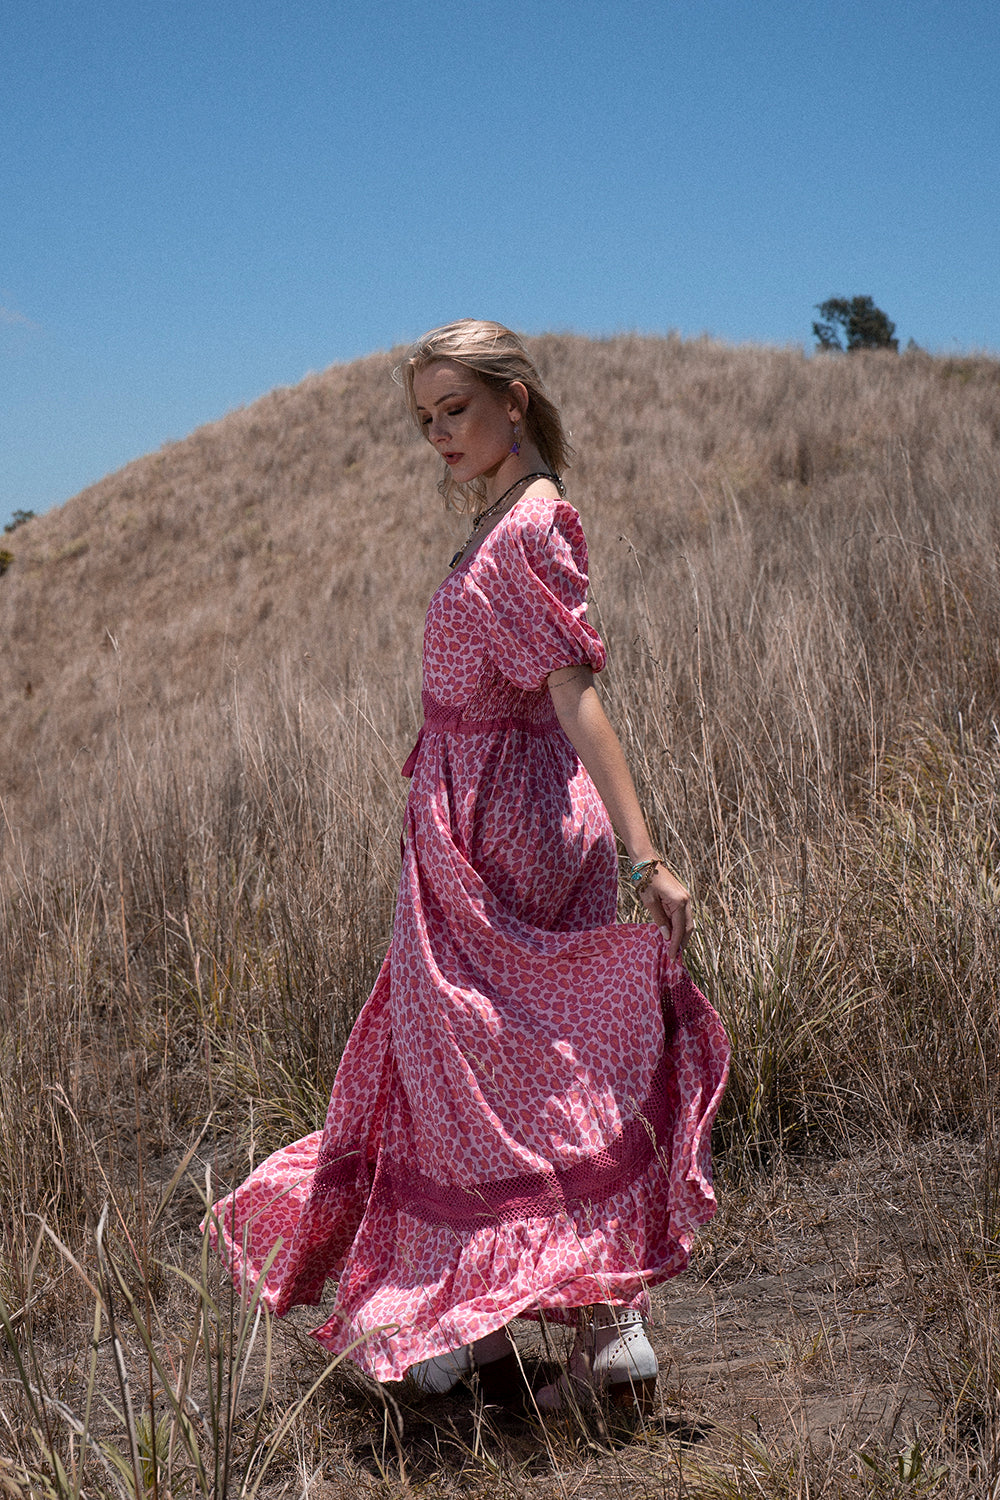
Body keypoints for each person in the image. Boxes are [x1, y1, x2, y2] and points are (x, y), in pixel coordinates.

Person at [209, 320, 729, 1412]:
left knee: (497, 1071)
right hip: (478, 814)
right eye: (425, 418)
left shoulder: (534, 523)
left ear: (515, 398)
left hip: (504, 824)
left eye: (456, 409)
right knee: (499, 1067)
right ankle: (505, 1335)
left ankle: (586, 1327)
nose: (439, 434)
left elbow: (577, 697)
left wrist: (649, 858)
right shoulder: (504, 516)